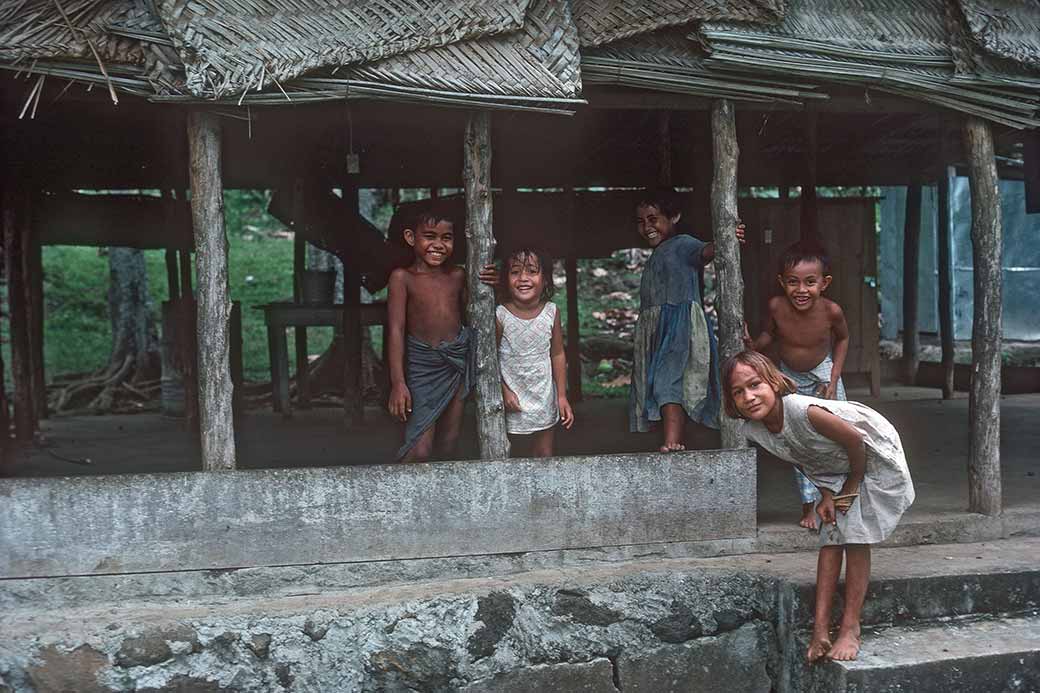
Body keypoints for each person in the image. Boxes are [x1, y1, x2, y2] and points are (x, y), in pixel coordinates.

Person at [723, 350, 914, 663]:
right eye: (738, 392)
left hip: (872, 452)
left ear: (773, 381)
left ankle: (850, 627)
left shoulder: (803, 410)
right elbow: (801, 456)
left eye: (755, 384)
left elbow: (855, 440)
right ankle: (820, 630)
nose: (749, 396)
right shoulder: (755, 430)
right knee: (830, 538)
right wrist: (825, 493)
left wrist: (851, 486)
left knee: (854, 535)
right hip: (835, 467)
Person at [744, 241, 850, 530]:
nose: (801, 290)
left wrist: (834, 378)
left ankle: (839, 496)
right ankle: (809, 506)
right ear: (782, 283)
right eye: (793, 282)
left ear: (824, 283)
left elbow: (842, 339)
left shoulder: (832, 311)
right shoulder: (776, 306)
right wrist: (754, 346)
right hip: (789, 377)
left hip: (824, 376)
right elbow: (769, 334)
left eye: (810, 282)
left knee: (836, 437)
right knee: (798, 441)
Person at [629, 187, 744, 452]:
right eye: (641, 221)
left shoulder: (682, 244)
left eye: (653, 218)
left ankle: (672, 441)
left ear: (674, 217)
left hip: (679, 330)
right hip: (658, 332)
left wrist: (729, 237)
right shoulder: (658, 253)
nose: (647, 226)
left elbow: (706, 251)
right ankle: (674, 437)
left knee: (669, 383)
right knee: (662, 384)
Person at [386, 204, 496, 462]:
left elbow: (480, 311)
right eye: (429, 236)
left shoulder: (458, 275)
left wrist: (495, 284)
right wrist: (398, 383)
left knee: (449, 443)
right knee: (419, 448)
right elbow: (395, 329)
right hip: (422, 367)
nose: (438, 245)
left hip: (456, 363)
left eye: (446, 238)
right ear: (411, 238)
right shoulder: (402, 278)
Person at [496, 248, 574, 457]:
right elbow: (488, 359)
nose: (523, 278)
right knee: (509, 453)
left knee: (544, 454)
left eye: (532, 271)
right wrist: (503, 390)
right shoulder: (500, 315)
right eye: (515, 272)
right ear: (505, 279)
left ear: (546, 280)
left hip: (543, 394)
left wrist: (561, 396)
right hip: (512, 398)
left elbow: (557, 354)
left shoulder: (551, 312)